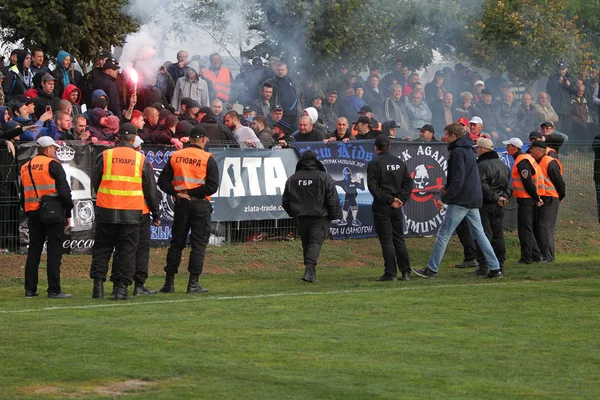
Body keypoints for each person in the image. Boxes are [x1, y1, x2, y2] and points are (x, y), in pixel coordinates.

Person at [413, 123, 502, 279]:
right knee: (479, 234)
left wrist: (445, 199)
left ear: (454, 136)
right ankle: (495, 268)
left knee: (443, 234)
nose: (444, 137)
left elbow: (458, 178)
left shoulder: (457, 152)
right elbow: (463, 177)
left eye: (447, 134)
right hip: (473, 198)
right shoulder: (468, 150)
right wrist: (448, 187)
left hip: (461, 200)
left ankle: (431, 270)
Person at [90, 123, 159, 300]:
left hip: (106, 209)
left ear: (117, 137)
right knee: (126, 251)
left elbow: (95, 181)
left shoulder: (105, 155)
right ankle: (121, 289)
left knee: (102, 249)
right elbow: (150, 190)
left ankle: (98, 287)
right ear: (134, 138)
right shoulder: (140, 159)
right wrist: (156, 212)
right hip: (131, 212)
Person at [157, 125, 219, 293]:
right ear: (204, 140)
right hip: (200, 205)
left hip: (182, 204)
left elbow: (162, 181)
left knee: (176, 243)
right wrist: (192, 192)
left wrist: (178, 192)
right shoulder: (208, 158)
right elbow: (212, 186)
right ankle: (193, 283)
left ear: (189, 139)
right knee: (198, 244)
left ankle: (168, 283)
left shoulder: (176, 156)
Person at [20, 136, 74, 298]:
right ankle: (54, 289)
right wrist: (68, 212)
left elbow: (23, 196)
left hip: (34, 213)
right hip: (53, 212)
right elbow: (64, 192)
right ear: (48, 148)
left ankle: (30, 289)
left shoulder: (25, 167)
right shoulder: (53, 165)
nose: (56, 151)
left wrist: (29, 211)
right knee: (54, 251)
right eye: (54, 149)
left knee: (34, 251)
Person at [110, 135, 162, 295]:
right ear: (138, 147)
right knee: (140, 250)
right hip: (140, 211)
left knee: (121, 249)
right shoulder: (142, 162)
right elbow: (151, 191)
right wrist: (156, 214)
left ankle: (117, 284)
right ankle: (138, 285)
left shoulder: (113, 160)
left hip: (117, 210)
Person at [282, 150, 339, 282]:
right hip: (320, 217)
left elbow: (285, 201)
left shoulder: (293, 179)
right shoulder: (324, 177)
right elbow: (333, 199)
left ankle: (310, 272)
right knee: (315, 243)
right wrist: (332, 216)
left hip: (301, 217)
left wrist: (294, 213)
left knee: (307, 244)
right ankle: (309, 271)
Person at [367, 134, 414, 281]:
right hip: (396, 207)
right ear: (389, 147)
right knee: (399, 239)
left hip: (382, 206)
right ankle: (405, 271)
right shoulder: (399, 162)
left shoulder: (374, 163)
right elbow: (408, 183)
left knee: (386, 240)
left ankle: (390, 272)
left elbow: (373, 187)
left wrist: (390, 199)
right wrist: (400, 199)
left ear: (376, 148)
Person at [471, 137, 512, 276]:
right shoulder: (503, 165)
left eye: (477, 148)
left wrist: (495, 198)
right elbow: (510, 184)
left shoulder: (481, 166)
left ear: (482, 149)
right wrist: (503, 197)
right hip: (500, 204)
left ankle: (484, 266)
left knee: (483, 235)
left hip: (485, 204)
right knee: (498, 235)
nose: (476, 151)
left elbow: (482, 185)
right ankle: (500, 264)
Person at [504, 137, 545, 264]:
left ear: (514, 148)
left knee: (524, 229)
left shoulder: (522, 161)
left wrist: (535, 197)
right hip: (528, 198)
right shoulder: (525, 158)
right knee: (527, 228)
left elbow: (528, 182)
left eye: (509, 146)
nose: (507, 148)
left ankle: (526, 258)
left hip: (526, 199)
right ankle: (536, 255)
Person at [528, 140, 565, 263]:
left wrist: (560, 197)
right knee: (540, 226)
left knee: (545, 227)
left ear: (539, 150)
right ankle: (543, 255)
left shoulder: (549, 162)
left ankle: (548, 257)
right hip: (542, 198)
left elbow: (559, 182)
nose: (530, 151)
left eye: (532, 149)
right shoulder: (537, 162)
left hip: (550, 198)